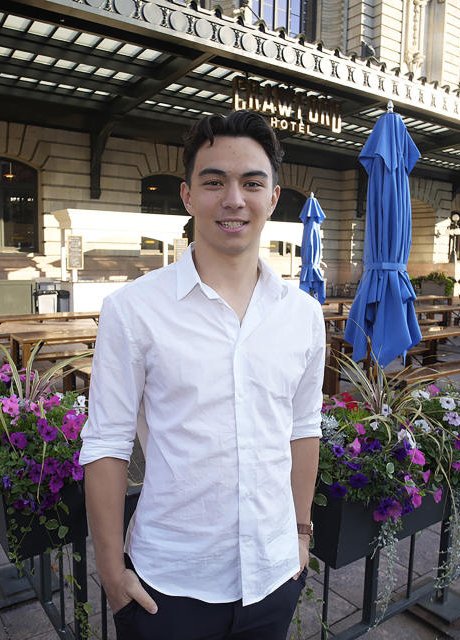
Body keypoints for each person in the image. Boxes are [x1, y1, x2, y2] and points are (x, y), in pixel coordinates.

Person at [81, 110, 325, 640]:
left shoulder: (303, 314)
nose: (233, 198)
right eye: (214, 182)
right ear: (188, 196)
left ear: (273, 197)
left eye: (251, 182)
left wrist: (302, 535)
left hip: (274, 574)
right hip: (168, 587)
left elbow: (303, 428)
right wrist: (111, 573)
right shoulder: (134, 309)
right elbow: (106, 441)